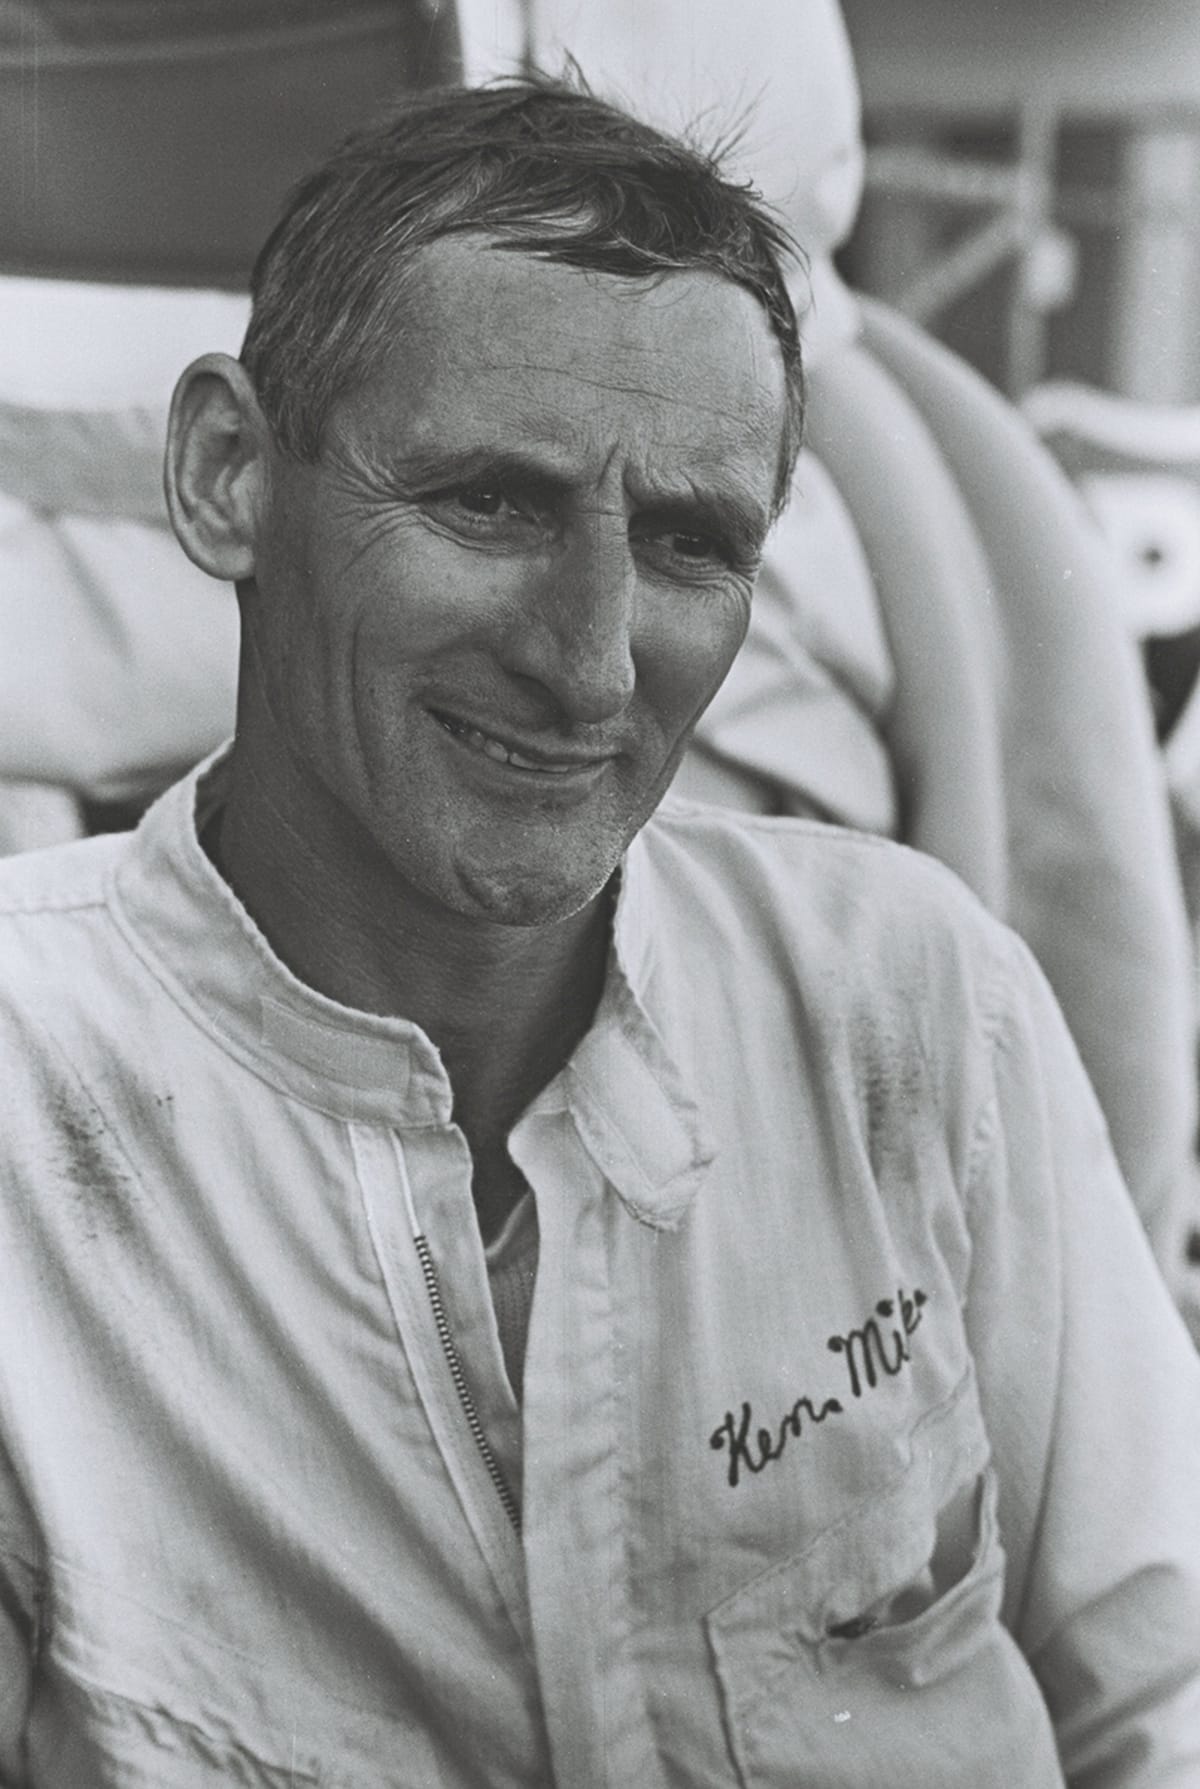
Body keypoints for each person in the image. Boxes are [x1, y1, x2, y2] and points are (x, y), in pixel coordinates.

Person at [0, 78, 1196, 1787]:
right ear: (225, 476)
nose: (593, 659)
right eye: (490, 504)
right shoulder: (31, 1109)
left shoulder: (907, 1005)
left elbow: (1163, 1696)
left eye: (695, 545)